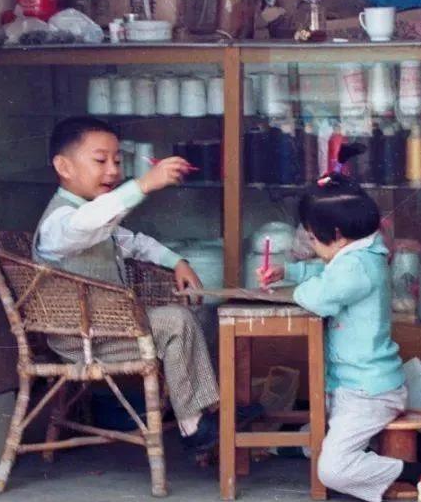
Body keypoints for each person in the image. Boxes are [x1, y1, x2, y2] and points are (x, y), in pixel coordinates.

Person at [34, 116, 257, 453]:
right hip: (82, 337)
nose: (112, 170)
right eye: (100, 160)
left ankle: (207, 411)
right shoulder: (61, 222)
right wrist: (143, 185)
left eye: (117, 161)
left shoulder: (93, 216)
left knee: (193, 314)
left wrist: (176, 261)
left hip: (107, 329)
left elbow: (134, 242)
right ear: (63, 166)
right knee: (175, 320)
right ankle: (194, 425)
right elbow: (87, 223)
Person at [259, 174, 421, 502]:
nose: (312, 247)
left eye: (313, 239)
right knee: (316, 441)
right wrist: (287, 272)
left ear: (336, 235)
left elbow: (318, 295)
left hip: (367, 394)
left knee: (332, 470)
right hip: (359, 387)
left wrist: (296, 288)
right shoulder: (361, 254)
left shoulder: (355, 268)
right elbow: (326, 273)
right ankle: (410, 449)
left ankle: (417, 471)